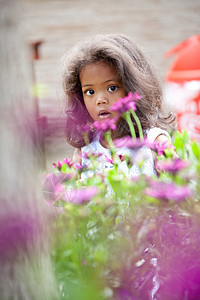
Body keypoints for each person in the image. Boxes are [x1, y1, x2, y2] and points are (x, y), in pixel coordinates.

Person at [62, 34, 176, 178]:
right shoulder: (86, 149)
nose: (100, 100)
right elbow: (75, 195)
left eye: (112, 88)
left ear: (133, 87)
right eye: (90, 91)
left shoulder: (154, 142)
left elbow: (179, 186)